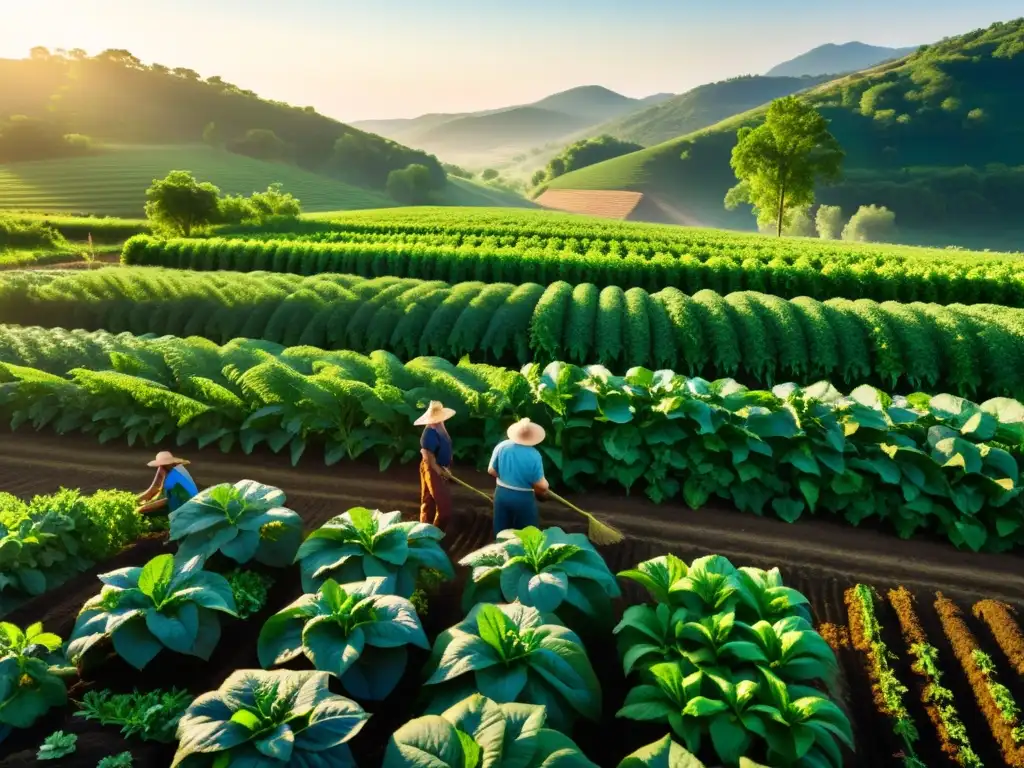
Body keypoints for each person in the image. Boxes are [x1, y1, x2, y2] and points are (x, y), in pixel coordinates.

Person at [488, 418, 549, 538]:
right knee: (528, 534)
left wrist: (507, 477)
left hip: (502, 493)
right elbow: (541, 485)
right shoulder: (534, 455)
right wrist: (546, 486)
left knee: (501, 531)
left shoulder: (502, 446)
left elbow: (491, 470)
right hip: (523, 498)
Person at [415, 401, 455, 531]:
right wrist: (440, 471)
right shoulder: (429, 434)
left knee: (429, 501)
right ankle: (435, 533)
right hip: (432, 469)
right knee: (444, 508)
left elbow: (446, 448)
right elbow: (428, 456)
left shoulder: (440, 429)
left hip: (442, 468)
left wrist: (447, 468)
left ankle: (424, 529)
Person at [136, 451, 198, 516]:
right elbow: (155, 488)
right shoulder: (174, 470)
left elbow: (166, 500)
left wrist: (141, 509)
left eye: (162, 465)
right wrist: (136, 500)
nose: (160, 468)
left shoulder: (174, 476)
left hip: (186, 508)